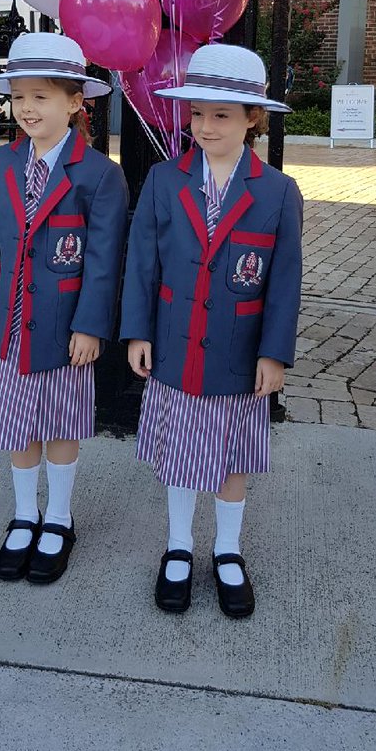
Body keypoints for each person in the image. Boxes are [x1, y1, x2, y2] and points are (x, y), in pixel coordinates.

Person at [120, 43, 303, 618]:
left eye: (220, 115)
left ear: (254, 118)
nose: (204, 126)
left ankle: (227, 550)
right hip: (175, 346)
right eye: (196, 113)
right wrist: (137, 332)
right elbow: (141, 264)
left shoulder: (276, 192)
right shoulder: (164, 181)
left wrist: (274, 354)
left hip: (237, 355)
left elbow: (285, 280)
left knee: (229, 460)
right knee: (180, 456)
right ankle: (178, 545)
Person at [0, 32, 129, 585]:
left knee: (60, 422)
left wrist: (90, 325)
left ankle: (58, 517)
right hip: (10, 325)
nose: (27, 109)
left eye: (41, 97)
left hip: (64, 330)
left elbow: (104, 260)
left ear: (75, 102)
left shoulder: (99, 174)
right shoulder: (3, 163)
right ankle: (24, 514)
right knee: (18, 424)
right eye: (18, 97)